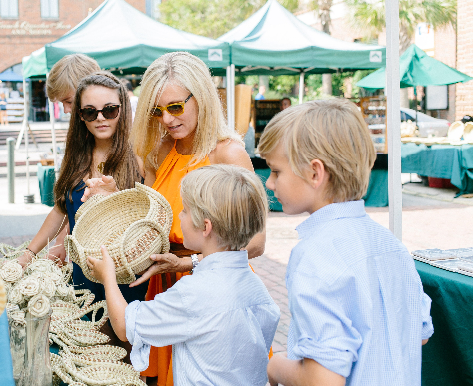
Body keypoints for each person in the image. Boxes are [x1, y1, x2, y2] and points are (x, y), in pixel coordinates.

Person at [83, 51, 266, 386]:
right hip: (165, 287)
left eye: (176, 107)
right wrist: (116, 199)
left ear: (202, 98)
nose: (166, 119)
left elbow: (256, 242)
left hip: (215, 290)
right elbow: (153, 223)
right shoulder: (160, 149)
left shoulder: (228, 153)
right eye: (157, 111)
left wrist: (187, 264)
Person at [260, 99, 433, 386]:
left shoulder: (314, 255)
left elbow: (322, 380)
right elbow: (421, 333)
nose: (269, 183)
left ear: (315, 173)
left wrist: (276, 366)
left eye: (276, 171)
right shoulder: (392, 245)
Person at [88, 165, 279, 386]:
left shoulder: (193, 293)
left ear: (206, 226)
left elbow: (125, 326)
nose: (180, 215)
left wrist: (108, 277)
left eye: (185, 210)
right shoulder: (256, 287)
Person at [18, 72, 148, 306]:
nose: (100, 118)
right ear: (80, 116)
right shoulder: (75, 156)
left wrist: (117, 197)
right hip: (83, 277)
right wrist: (27, 256)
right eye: (90, 111)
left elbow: (151, 219)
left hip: (126, 280)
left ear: (123, 109)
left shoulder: (139, 156)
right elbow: (60, 210)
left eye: (109, 110)